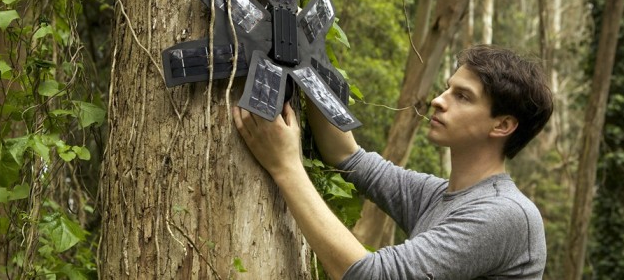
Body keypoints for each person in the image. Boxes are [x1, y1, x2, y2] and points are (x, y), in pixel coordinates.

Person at [232, 45, 553, 279]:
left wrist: (286, 167)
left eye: (462, 96)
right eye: (447, 89)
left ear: (502, 125)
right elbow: (348, 157)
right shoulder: (439, 195)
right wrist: (303, 59)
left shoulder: (504, 215)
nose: (439, 101)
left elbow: (370, 276)